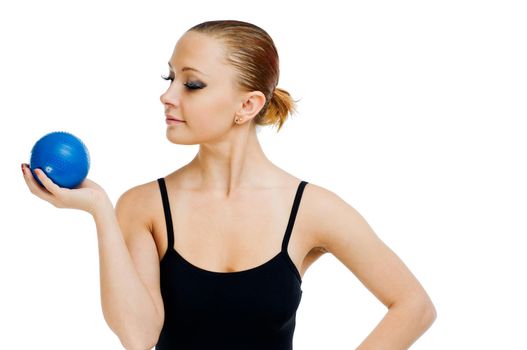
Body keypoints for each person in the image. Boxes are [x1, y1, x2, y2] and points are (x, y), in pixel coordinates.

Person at [21, 19, 436, 350]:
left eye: (191, 83)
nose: (167, 96)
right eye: (168, 78)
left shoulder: (311, 208)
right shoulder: (143, 205)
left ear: (248, 105)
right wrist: (99, 211)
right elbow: (138, 337)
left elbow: (413, 306)